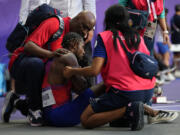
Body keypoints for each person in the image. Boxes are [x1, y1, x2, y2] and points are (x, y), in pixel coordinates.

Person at [63, 4, 179, 130]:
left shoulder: (104, 37)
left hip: (125, 92)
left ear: (108, 20)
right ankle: (142, 109)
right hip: (148, 91)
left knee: (86, 119)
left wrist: (72, 71)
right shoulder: (136, 37)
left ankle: (128, 109)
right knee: (111, 100)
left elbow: (94, 70)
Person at [2, 11, 96, 126]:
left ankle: (16, 102)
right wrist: (50, 54)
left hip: (43, 72)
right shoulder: (55, 23)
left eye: (89, 30)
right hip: (22, 62)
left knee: (48, 109)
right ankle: (34, 110)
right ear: (77, 20)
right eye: (85, 28)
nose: (85, 34)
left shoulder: (75, 39)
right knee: (37, 65)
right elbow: (28, 46)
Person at [49, 0, 96, 87]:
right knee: (59, 58)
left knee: (87, 60)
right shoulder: (53, 24)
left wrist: (91, 29)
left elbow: (89, 2)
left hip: (80, 25)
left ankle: (91, 94)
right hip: (59, 24)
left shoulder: (84, 30)